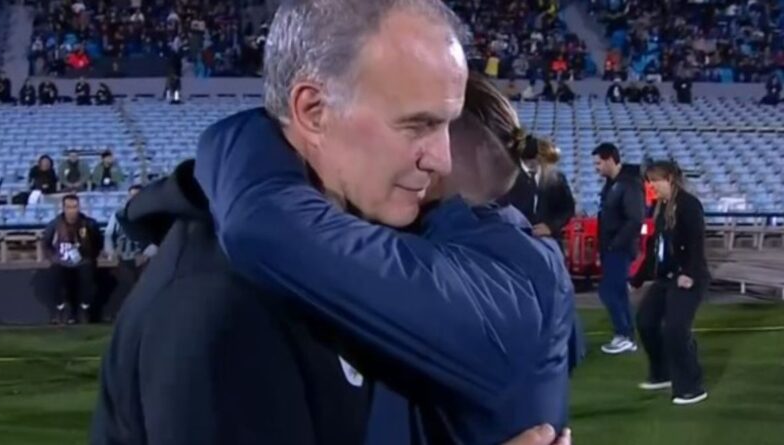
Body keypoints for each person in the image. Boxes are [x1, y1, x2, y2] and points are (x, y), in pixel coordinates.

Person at [92, 2, 571, 444]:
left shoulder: (351, 251)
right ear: (312, 111)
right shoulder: (218, 304)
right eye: (417, 125)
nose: (441, 159)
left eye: (446, 125)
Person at [631, 160, 709, 406]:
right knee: (645, 321)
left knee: (676, 329)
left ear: (670, 180)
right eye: (649, 181)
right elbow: (656, 249)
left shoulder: (688, 205)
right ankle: (662, 372)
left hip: (688, 277)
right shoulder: (661, 207)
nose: (651, 185)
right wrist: (638, 278)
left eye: (655, 180)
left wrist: (689, 273)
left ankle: (691, 386)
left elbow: (697, 243)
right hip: (667, 278)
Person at [592, 142, 645, 355]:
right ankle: (626, 336)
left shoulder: (629, 184)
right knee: (618, 292)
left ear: (610, 160)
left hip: (619, 248)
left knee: (609, 291)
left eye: (598, 163)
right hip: (612, 246)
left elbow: (635, 219)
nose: (596, 167)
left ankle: (623, 333)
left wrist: (615, 244)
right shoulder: (613, 183)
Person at [498, 136, 575, 242]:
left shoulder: (557, 177)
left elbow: (567, 209)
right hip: (515, 239)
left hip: (548, 241)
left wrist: (551, 226)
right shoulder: (507, 178)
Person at [41, 194, 103, 324]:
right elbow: (45, 243)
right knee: (55, 278)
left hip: (83, 261)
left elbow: (98, 241)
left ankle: (84, 310)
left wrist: (91, 256)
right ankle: (61, 310)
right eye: (69, 207)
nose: (72, 210)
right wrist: (53, 258)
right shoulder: (55, 224)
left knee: (88, 280)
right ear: (63, 208)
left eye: (75, 207)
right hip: (61, 262)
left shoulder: (88, 223)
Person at [103, 185, 156, 318]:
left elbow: (158, 239)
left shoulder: (152, 215)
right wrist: (111, 252)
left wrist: (146, 254)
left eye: (137, 196)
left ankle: (146, 312)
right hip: (123, 255)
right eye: (131, 196)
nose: (134, 199)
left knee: (146, 280)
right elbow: (109, 235)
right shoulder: (119, 214)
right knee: (126, 282)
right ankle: (129, 313)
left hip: (145, 255)